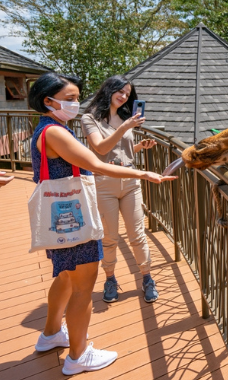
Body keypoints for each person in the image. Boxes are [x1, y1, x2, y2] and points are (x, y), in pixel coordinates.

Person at [28, 72, 175, 376]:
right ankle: (78, 356)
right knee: (83, 287)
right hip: (73, 217)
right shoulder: (56, 132)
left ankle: (51, 333)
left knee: (66, 278)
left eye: (77, 98)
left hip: (60, 217)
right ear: (48, 100)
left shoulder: (44, 129)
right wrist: (144, 174)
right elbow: (95, 162)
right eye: (69, 99)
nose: (75, 104)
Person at [80, 75, 159, 303]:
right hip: (104, 182)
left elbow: (123, 150)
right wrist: (126, 126)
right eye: (121, 91)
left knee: (137, 235)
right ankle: (110, 278)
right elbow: (101, 148)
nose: (124, 96)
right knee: (110, 237)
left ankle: (147, 278)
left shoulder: (126, 116)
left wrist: (139, 147)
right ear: (109, 90)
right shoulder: (90, 118)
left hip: (130, 180)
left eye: (127, 93)